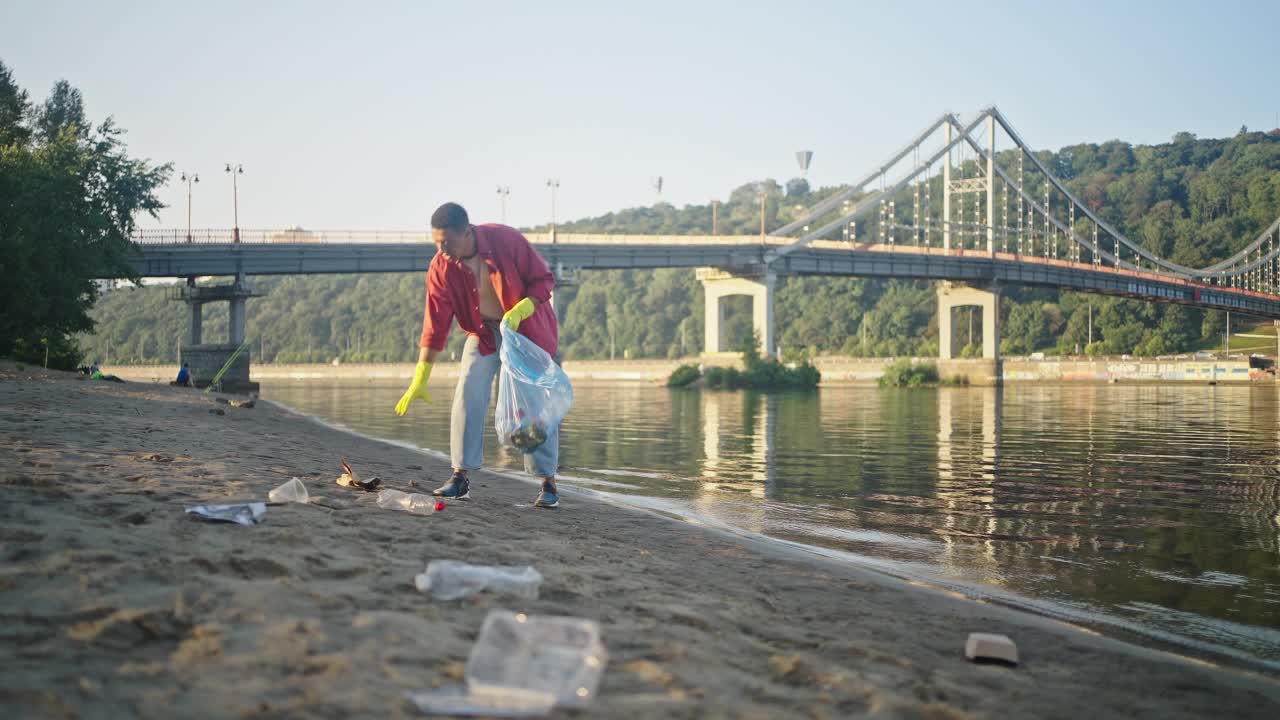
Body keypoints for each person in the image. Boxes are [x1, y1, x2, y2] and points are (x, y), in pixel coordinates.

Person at [395, 202, 562, 508]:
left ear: (467, 232)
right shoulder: (441, 267)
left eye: (446, 242)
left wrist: (523, 307)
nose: (441, 250)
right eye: (436, 243)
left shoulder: (506, 240)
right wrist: (421, 375)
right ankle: (460, 477)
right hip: (483, 333)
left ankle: (547, 482)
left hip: (525, 333)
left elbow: (543, 280)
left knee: (535, 407)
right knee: (467, 392)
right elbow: (436, 323)